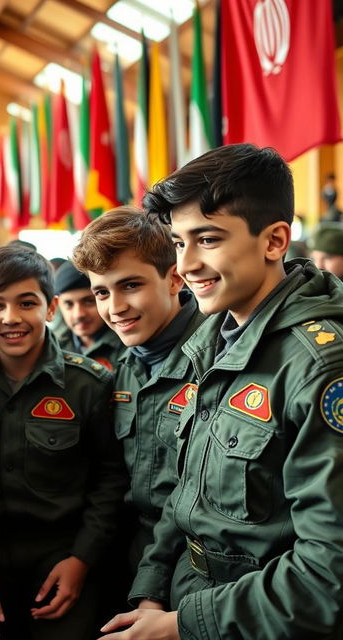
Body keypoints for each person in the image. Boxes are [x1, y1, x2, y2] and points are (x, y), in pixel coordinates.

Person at [100, 143, 343, 640]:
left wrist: (178, 625)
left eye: (207, 239)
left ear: (275, 240)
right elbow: (187, 496)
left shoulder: (318, 367)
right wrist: (153, 588)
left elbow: (327, 575)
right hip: (188, 597)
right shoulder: (212, 341)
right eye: (177, 242)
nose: (185, 265)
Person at [0, 244, 127, 640]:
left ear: (50, 308)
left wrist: (81, 560)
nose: (11, 318)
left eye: (27, 303)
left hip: (64, 560)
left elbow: (110, 482)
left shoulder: (89, 384)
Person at [71, 207, 204, 589]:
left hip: (195, 571)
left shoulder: (218, 363)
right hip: (132, 558)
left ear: (174, 278)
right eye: (101, 292)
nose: (115, 308)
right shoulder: (126, 367)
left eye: (131, 285)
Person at [53, 259, 124, 370]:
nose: (78, 314)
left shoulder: (129, 344)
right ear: (58, 305)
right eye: (69, 304)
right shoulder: (53, 349)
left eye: (88, 301)